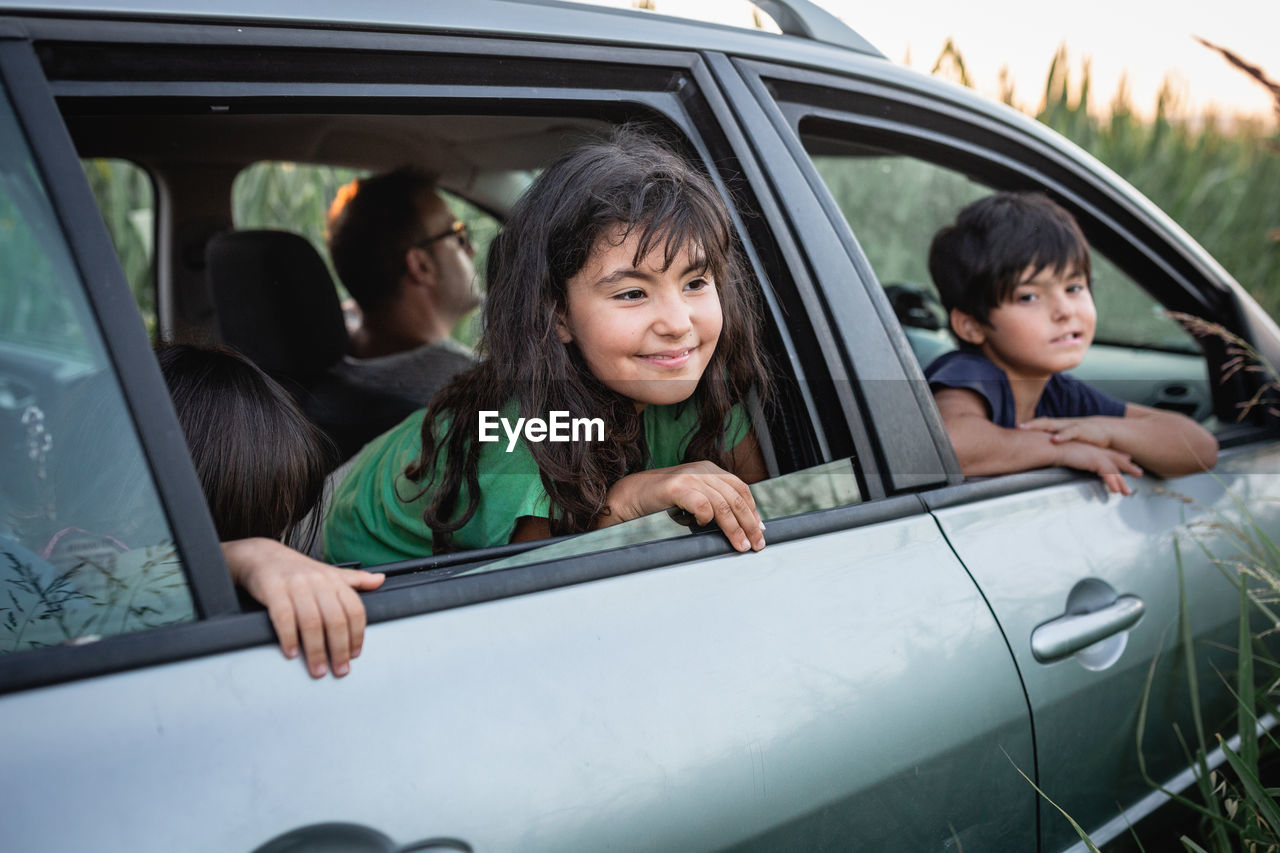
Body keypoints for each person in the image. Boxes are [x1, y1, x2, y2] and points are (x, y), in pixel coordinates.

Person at [323, 126, 772, 564]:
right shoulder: (521, 434)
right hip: (338, 557)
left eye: (695, 282)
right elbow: (545, 575)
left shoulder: (691, 379)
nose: (678, 324)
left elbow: (761, 510)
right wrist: (628, 500)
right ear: (559, 316)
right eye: (632, 293)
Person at [924, 191, 1218, 495]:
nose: (1065, 310)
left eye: (1074, 287)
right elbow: (946, 445)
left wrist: (1105, 431)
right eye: (1029, 297)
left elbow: (1200, 448)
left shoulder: (1059, 393)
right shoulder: (968, 374)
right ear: (971, 326)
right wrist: (1059, 450)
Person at [156, 344, 386, 678]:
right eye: (267, 530)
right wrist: (237, 558)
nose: (279, 546)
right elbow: (76, 586)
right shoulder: (78, 566)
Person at [325, 167, 478, 404]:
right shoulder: (471, 388)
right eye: (457, 235)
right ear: (421, 266)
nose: (471, 249)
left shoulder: (331, 370)